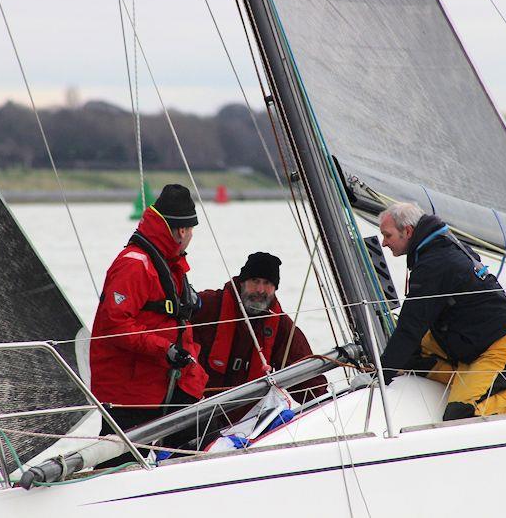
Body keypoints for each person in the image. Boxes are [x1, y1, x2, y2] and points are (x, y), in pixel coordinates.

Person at [377, 202, 506, 420]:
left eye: (387, 235)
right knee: (410, 353)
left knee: (460, 415)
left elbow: (411, 326)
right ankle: (468, 377)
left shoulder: (435, 262)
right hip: (469, 341)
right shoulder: (445, 244)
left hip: (502, 348)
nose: (383, 243)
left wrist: (381, 377)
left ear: (407, 231)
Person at [90, 184, 208, 458]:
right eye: (191, 230)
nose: (191, 237)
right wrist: (164, 349)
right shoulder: (135, 264)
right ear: (181, 231)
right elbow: (115, 326)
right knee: (120, 463)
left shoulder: (165, 262)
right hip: (131, 391)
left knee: (199, 438)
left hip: (161, 382)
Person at [192, 252, 328, 403]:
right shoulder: (209, 305)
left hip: (246, 418)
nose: (260, 290)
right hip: (198, 408)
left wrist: (324, 404)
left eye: (267, 283)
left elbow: (304, 375)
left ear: (275, 288)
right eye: (255, 281)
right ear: (242, 282)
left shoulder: (281, 325)